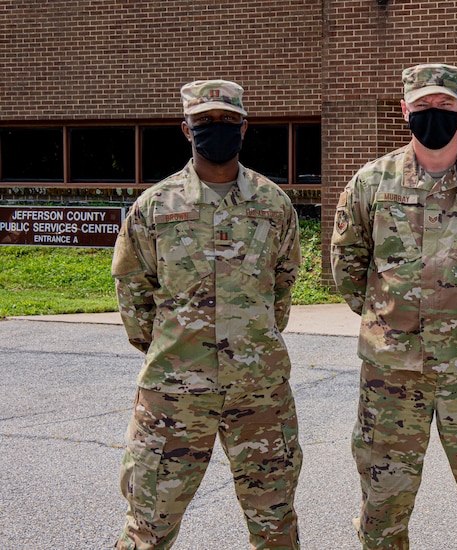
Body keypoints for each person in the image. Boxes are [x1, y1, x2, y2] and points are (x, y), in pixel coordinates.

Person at [330, 63, 457, 550]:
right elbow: (349, 268)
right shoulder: (370, 183)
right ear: (405, 111)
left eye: (444, 105)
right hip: (392, 375)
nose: (434, 113)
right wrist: (391, 318)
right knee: (383, 507)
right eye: (423, 105)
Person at [111, 79, 303, 549]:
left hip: (258, 392)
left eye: (227, 121)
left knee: (275, 524)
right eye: (204, 122)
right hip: (174, 394)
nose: (216, 129)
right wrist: (171, 347)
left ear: (243, 128)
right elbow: (133, 288)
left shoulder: (273, 204)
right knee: (148, 526)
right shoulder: (154, 207)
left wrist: (249, 338)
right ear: (186, 128)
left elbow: (282, 284)